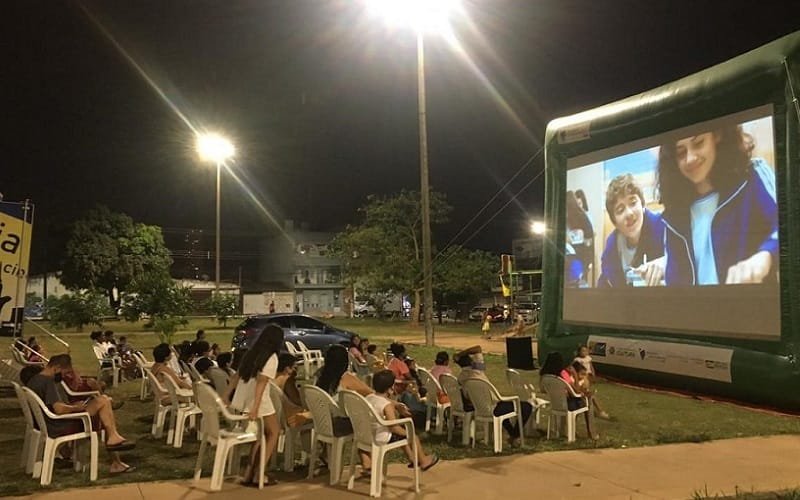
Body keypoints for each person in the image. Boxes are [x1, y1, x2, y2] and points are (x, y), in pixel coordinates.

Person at [657, 125, 778, 285]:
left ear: (717, 136)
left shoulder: (752, 177)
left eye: (699, 143)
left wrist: (765, 256)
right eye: (680, 153)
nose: (690, 158)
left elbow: (787, 226)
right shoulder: (673, 215)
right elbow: (676, 282)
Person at [25, 354, 135, 473]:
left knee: (103, 403)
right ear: (56, 367)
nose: (62, 376)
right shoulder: (48, 382)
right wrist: (75, 407)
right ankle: (114, 447)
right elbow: (59, 410)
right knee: (103, 402)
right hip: (59, 425)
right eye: (63, 373)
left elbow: (54, 406)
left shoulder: (34, 380)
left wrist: (73, 405)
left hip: (48, 423)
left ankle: (114, 443)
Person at [225, 324, 284, 487]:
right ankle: (259, 473)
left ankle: (248, 473)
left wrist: (225, 396)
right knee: (273, 433)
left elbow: (236, 376)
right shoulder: (271, 357)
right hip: (259, 401)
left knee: (260, 436)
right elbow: (261, 383)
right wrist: (256, 407)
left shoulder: (251, 354)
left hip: (245, 398)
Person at [597, 174, 666, 288]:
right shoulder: (612, 246)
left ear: (643, 205)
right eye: (620, 210)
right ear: (615, 222)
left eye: (633, 203)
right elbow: (604, 282)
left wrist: (665, 262)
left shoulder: (663, 227)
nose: (629, 213)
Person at [367, 370, 439, 471]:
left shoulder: (369, 398)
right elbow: (393, 427)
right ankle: (423, 461)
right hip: (382, 437)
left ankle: (412, 459)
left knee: (402, 436)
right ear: (390, 389)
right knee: (412, 437)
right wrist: (408, 431)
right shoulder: (386, 405)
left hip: (369, 434)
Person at [455, 351, 532, 446]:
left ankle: (513, 435)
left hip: (480, 409)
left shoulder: (461, 379)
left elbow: (466, 395)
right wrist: (462, 353)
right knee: (526, 406)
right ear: (472, 363)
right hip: (494, 407)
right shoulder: (478, 372)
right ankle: (515, 435)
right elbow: (478, 349)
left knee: (504, 412)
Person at [315, 344, 373, 470]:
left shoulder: (319, 375)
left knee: (357, 421)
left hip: (321, 422)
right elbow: (370, 392)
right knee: (363, 422)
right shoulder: (346, 378)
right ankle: (368, 461)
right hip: (337, 425)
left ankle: (327, 454)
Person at [540, 352, 597, 439]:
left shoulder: (544, 376)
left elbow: (542, 390)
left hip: (554, 405)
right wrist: (575, 375)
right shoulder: (563, 374)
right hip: (568, 405)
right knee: (588, 401)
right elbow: (576, 391)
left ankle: (566, 430)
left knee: (584, 399)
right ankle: (591, 433)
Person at [566, 190, 595, 284]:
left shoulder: (582, 217)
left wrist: (578, 238)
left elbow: (589, 238)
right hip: (572, 255)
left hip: (581, 255)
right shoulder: (567, 219)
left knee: (577, 280)